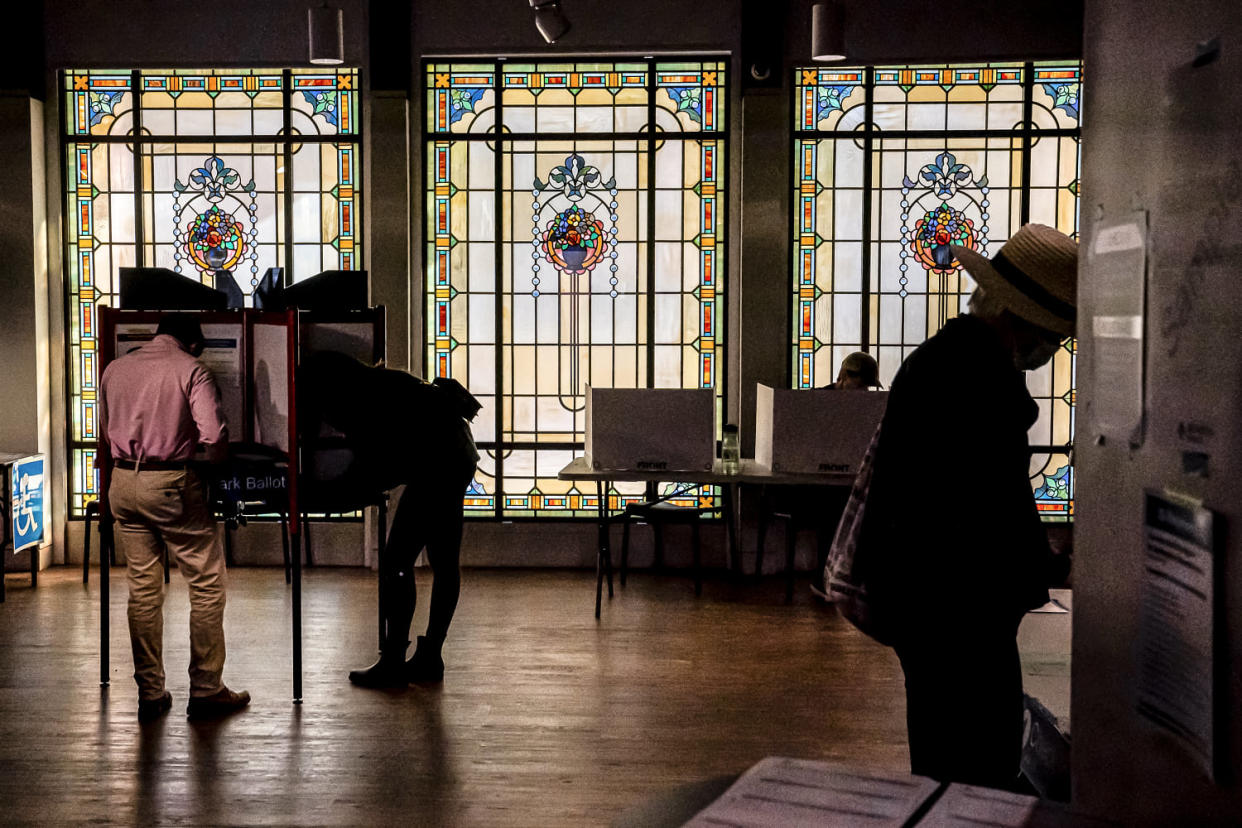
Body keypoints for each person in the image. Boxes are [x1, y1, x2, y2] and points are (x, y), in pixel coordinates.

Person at [856, 223, 1077, 789]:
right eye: (1053, 334)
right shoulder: (981, 380)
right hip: (957, 611)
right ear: (1016, 318)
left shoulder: (940, 359)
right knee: (976, 763)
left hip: (925, 603)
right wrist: (1051, 559)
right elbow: (983, 513)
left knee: (941, 754)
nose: (1052, 348)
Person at [98, 313, 250, 722]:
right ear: (193, 342)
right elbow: (215, 440)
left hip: (123, 482)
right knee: (205, 582)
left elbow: (105, 429)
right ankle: (206, 689)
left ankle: (151, 692)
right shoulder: (191, 369)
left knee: (143, 590)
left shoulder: (116, 368)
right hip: (172, 484)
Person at [297, 352, 480, 688]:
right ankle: (429, 656)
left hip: (438, 465)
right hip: (457, 456)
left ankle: (394, 662)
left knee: (396, 562)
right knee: (443, 561)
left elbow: (376, 467)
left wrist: (328, 491)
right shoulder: (380, 385)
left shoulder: (363, 403)